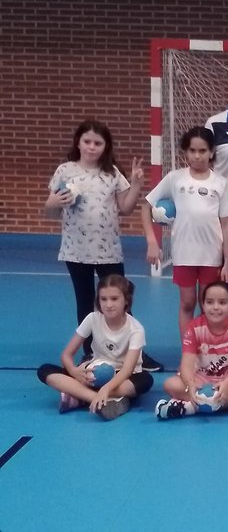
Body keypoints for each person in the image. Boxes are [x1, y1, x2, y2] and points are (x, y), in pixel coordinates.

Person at [44, 120, 162, 372]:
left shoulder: (111, 174)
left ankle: (133, 351)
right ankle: (89, 352)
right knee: (86, 302)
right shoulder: (65, 171)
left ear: (105, 146)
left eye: (98, 143)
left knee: (121, 300)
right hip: (77, 250)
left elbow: (126, 208)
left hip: (108, 248)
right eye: (87, 141)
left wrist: (137, 184)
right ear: (78, 142)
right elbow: (51, 213)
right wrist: (52, 201)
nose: (92, 147)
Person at [142, 127, 228, 338]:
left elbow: (226, 224)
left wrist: (227, 262)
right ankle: (188, 349)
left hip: (211, 255)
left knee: (207, 303)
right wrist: (151, 241)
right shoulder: (175, 179)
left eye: (202, 151)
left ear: (211, 152)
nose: (197, 155)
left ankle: (207, 348)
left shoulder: (220, 183)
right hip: (184, 254)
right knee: (187, 302)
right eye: (192, 150)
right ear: (186, 152)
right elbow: (146, 206)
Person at [37, 275, 153, 420]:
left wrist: (107, 387)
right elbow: (66, 354)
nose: (108, 304)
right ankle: (101, 399)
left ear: (126, 300)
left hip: (122, 376)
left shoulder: (136, 329)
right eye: (103, 299)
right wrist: (74, 371)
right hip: (94, 372)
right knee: (45, 370)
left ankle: (80, 396)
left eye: (114, 299)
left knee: (146, 381)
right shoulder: (92, 318)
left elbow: (128, 369)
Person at [155, 281, 228, 419]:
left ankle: (189, 407)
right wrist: (191, 385)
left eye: (222, 302)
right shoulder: (194, 327)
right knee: (170, 384)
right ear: (203, 305)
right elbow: (186, 365)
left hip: (227, 382)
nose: (215, 307)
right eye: (210, 302)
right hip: (199, 381)